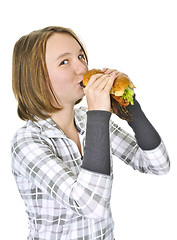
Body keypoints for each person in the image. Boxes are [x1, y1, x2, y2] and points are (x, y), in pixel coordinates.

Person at [11, 26, 170, 240]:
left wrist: (130, 107)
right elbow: (90, 205)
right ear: (36, 77)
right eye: (64, 62)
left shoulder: (87, 119)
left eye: (80, 56)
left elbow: (157, 164)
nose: (82, 68)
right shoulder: (27, 141)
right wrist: (98, 114)